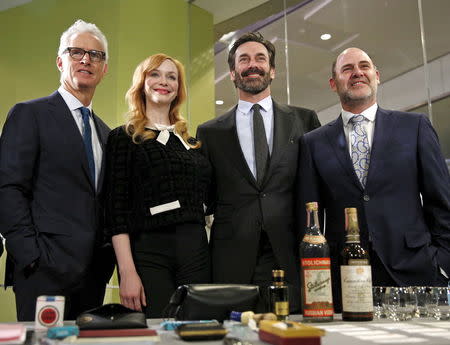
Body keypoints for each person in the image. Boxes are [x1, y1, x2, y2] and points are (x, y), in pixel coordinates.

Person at [298, 47, 450, 311]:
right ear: (334, 84)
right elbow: (308, 216)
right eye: (347, 69)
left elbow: (442, 201)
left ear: (377, 76)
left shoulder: (414, 127)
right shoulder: (313, 142)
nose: (357, 73)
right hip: (345, 277)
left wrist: (443, 260)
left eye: (364, 66)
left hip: (416, 269)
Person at [196, 32, 321, 312]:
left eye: (260, 58)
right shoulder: (209, 132)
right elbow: (207, 196)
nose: (253, 65)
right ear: (232, 72)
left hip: (290, 253)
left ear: (272, 70)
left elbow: (316, 187)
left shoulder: (304, 120)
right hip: (232, 256)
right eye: (244, 59)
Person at [0, 19, 114, 320]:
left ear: (104, 69)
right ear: (60, 61)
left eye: (96, 55)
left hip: (93, 276)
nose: (86, 59)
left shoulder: (106, 133)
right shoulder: (30, 114)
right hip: (43, 272)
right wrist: (31, 256)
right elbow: (8, 188)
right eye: (77, 52)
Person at [104, 53, 211, 318]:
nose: (164, 81)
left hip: (195, 250)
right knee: (158, 331)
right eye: (155, 74)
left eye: (171, 77)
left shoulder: (193, 142)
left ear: (178, 88)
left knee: (199, 329)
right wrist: (127, 272)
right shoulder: (123, 137)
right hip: (149, 252)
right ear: (142, 82)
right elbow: (116, 213)